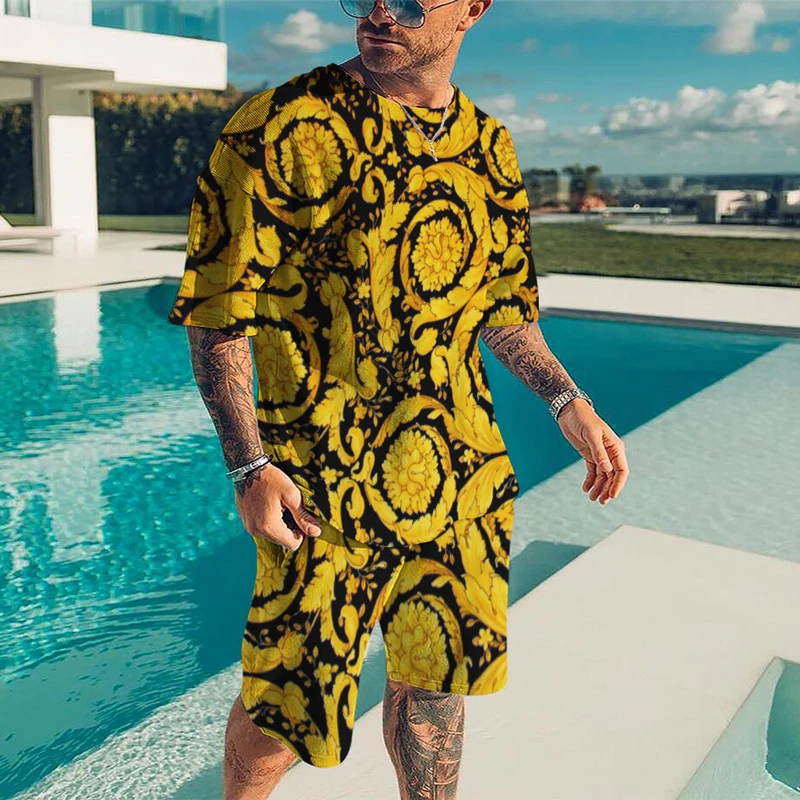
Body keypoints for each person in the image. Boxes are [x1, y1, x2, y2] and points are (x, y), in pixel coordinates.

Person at [167, 0, 630, 796]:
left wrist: (567, 400)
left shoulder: (489, 146)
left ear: (473, 9)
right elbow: (219, 312)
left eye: (412, 0)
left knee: (434, 694)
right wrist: (248, 466)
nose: (382, 11)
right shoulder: (280, 125)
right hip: (321, 482)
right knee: (287, 706)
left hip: (459, 472)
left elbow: (502, 308)